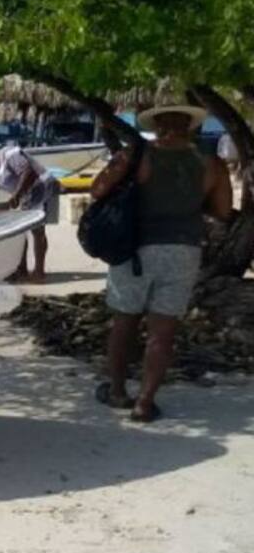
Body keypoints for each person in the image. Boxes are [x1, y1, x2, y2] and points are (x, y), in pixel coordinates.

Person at [90, 106, 233, 423]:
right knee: (163, 332)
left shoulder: (135, 155)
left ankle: (116, 391)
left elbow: (97, 190)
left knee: (124, 323)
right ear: (191, 128)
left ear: (155, 127)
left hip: (135, 250)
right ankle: (144, 403)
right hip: (183, 250)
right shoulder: (211, 164)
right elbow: (223, 211)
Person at [0, 142, 61, 282]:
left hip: (43, 187)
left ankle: (39, 272)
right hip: (26, 195)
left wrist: (17, 195)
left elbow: (29, 172)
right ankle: (21, 270)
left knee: (37, 231)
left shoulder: (9, 154)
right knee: (20, 233)